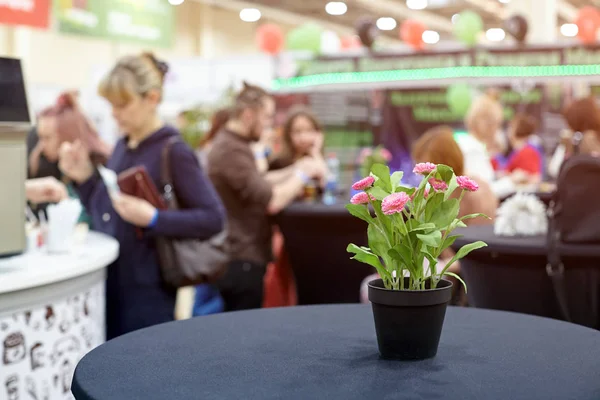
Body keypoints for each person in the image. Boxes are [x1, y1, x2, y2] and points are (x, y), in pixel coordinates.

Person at [59, 52, 225, 339]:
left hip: (149, 292)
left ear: (152, 98)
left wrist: (155, 218)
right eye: (111, 105)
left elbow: (213, 218)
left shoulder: (173, 151)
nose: (115, 113)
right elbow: (105, 208)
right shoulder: (124, 146)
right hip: (113, 282)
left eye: (122, 104)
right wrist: (83, 177)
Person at [207, 82, 325, 311]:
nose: (269, 125)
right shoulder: (230, 150)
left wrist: (299, 167)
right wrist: (302, 173)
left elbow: (261, 180)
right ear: (249, 115)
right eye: (267, 117)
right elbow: (271, 201)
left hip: (243, 256)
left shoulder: (236, 145)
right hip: (239, 258)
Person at [458, 89, 503, 185]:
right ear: (487, 124)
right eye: (496, 124)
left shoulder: (470, 145)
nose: (496, 130)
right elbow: (482, 189)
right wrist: (511, 182)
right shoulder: (473, 150)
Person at [548, 96, 600, 177]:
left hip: (579, 186)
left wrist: (564, 146)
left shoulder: (573, 140)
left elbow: (554, 169)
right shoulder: (593, 137)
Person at [269, 106, 326, 171]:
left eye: (309, 130)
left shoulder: (318, 159)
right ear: (288, 134)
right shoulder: (278, 164)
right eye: (297, 131)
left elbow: (325, 177)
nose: (303, 137)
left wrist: (315, 152)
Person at [498, 113, 542, 186]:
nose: (508, 130)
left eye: (511, 127)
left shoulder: (527, 152)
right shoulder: (516, 151)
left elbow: (535, 178)